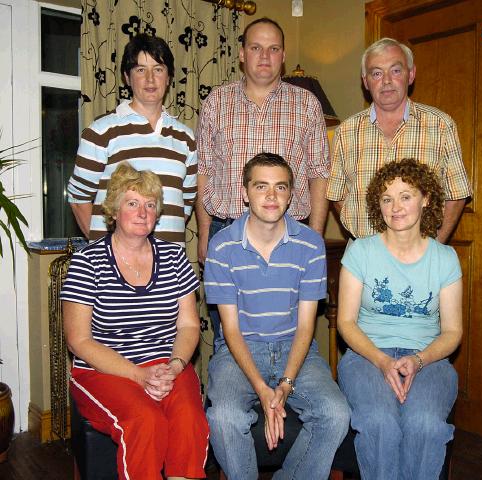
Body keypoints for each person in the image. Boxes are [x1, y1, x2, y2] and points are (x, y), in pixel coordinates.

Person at [204, 153, 349, 480]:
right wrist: (262, 388)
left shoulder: (311, 245)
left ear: (291, 194)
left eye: (280, 187)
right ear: (245, 192)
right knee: (224, 416)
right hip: (239, 348)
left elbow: (306, 329)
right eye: (261, 186)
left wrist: (284, 385)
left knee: (335, 413)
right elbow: (230, 330)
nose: (271, 196)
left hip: (295, 348)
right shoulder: (222, 246)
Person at [61, 162, 209, 480]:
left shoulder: (174, 258)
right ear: (114, 210)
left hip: (166, 362)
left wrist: (176, 365)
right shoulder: (88, 262)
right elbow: (79, 341)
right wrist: (138, 376)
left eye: (150, 205)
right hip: (105, 369)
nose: (143, 212)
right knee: (146, 421)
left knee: (189, 418)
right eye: (133, 203)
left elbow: (188, 326)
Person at [337, 158, 463, 479]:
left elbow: (451, 332)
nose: (395, 207)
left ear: (426, 199)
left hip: (428, 358)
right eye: (386, 198)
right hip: (367, 355)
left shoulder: (445, 258)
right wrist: (381, 361)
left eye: (406, 196)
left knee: (424, 424)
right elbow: (346, 323)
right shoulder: (360, 252)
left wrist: (419, 360)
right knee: (379, 421)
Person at [196, 16, 330, 264]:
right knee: (224, 304)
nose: (265, 56)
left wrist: (316, 237)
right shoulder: (216, 102)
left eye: (274, 49)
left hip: (289, 235)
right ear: (242, 54)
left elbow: (319, 174)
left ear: (283, 55)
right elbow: (203, 170)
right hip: (226, 232)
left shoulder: (307, 104)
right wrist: (204, 233)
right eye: (256, 48)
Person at [326, 37, 471, 243]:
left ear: (410, 75)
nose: (386, 81)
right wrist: (362, 237)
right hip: (363, 254)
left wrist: (433, 248)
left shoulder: (440, 125)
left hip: (420, 254)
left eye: (395, 71)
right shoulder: (346, 132)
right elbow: (337, 194)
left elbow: (457, 194)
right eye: (376, 73)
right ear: (365, 81)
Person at [68, 33, 197, 246]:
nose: (150, 79)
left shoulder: (186, 138)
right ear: (127, 78)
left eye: (158, 69)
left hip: (170, 267)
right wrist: (103, 251)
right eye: (140, 70)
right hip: (115, 268)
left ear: (169, 77)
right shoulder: (101, 131)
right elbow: (78, 198)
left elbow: (184, 204)